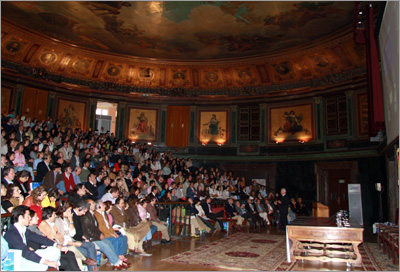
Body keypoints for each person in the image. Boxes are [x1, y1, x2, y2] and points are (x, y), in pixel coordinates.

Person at [4, 205, 68, 271]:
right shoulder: (13, 234)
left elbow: (40, 238)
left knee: (55, 250)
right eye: (28, 216)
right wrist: (47, 262)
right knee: (43, 266)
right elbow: (25, 253)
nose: (30, 218)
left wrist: (57, 245)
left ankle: (52, 266)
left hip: (25, 257)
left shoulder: (23, 229)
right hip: (16, 262)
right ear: (20, 218)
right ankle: (51, 266)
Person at [38, 207, 81, 271]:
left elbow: (61, 239)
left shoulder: (53, 224)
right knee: (69, 257)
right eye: (54, 214)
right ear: (48, 216)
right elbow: (50, 240)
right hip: (50, 250)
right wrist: (56, 237)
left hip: (57, 247)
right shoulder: (43, 225)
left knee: (70, 254)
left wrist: (56, 237)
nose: (55, 216)